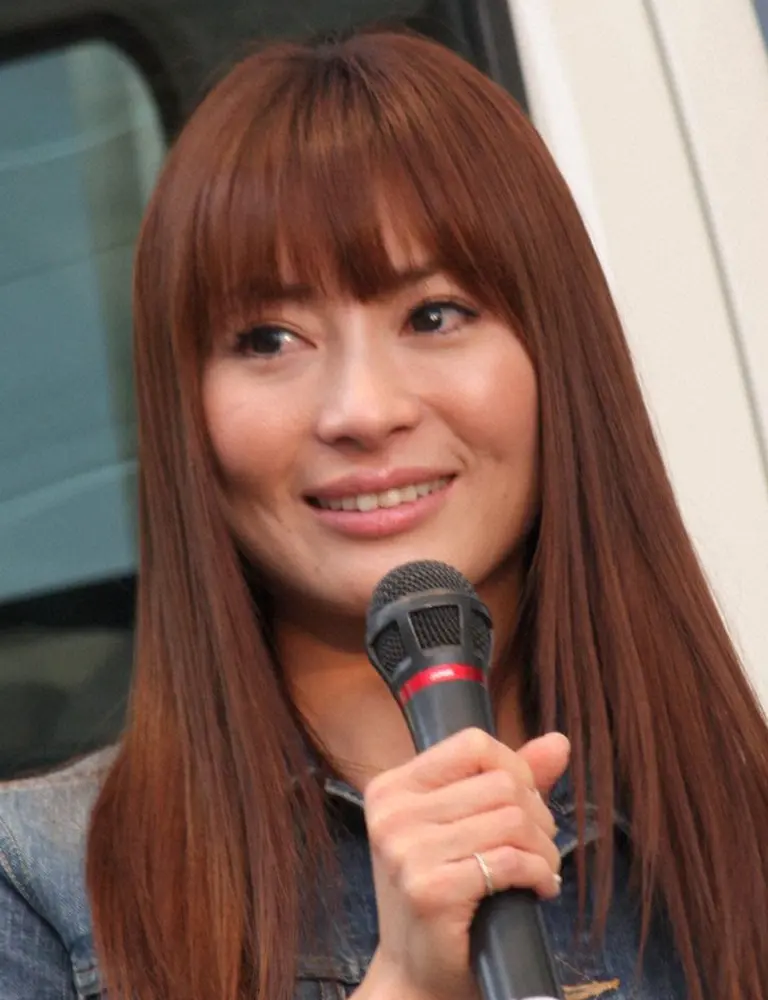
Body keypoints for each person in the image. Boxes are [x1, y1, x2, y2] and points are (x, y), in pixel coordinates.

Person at [1, 28, 766, 1000]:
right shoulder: (41, 885)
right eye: (270, 339)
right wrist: (404, 981)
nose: (362, 410)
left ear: (558, 355)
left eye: (435, 315)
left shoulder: (736, 841)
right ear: (184, 408)